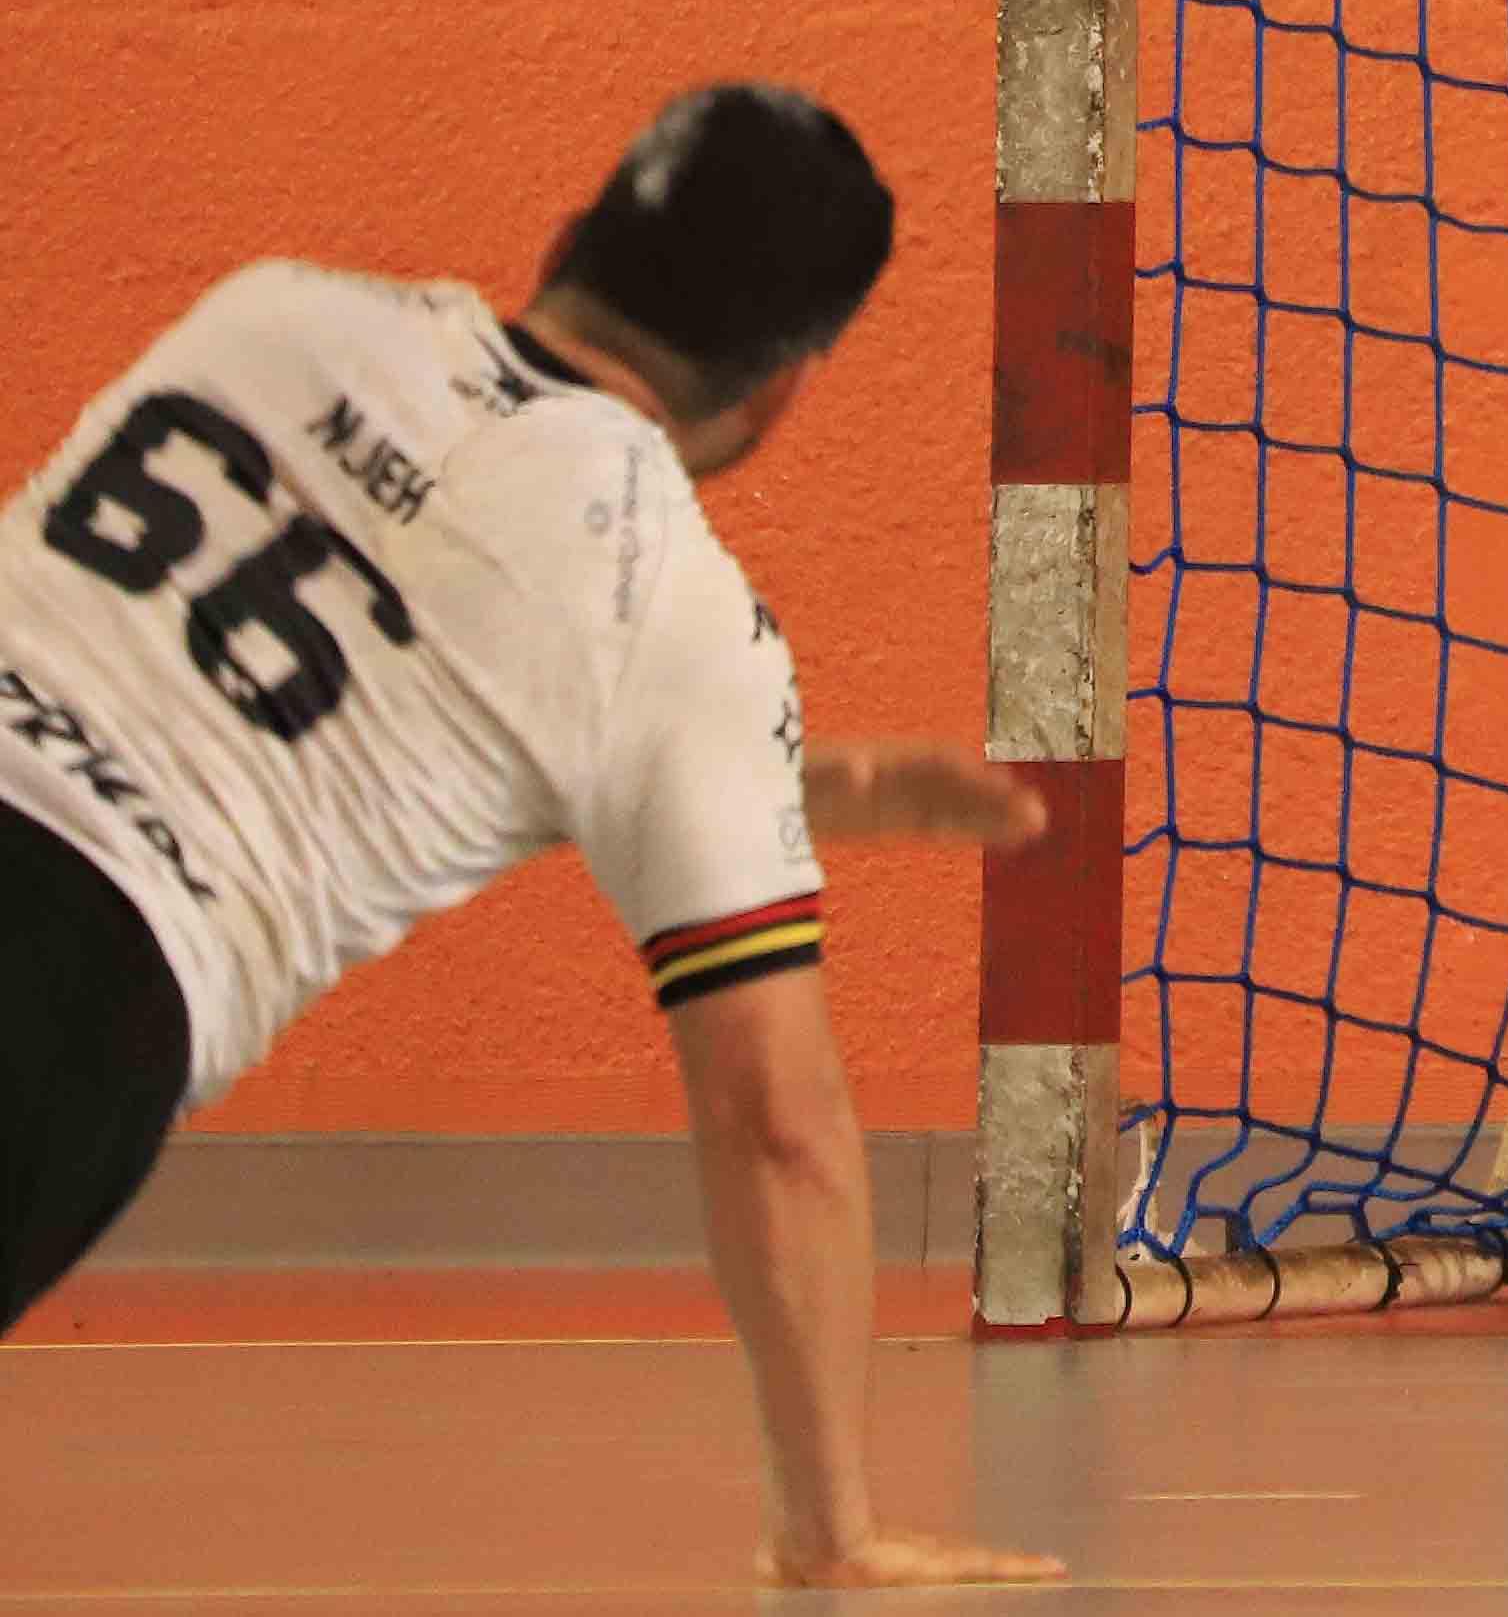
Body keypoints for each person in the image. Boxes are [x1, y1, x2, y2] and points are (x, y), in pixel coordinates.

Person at [0, 84, 1065, 1587]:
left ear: (576, 236)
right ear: (782, 390)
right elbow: (779, 1122)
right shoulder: (667, 612)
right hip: (72, 989)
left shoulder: (271, 314)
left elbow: (316, 669)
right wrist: (832, 1530)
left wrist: (788, 785)